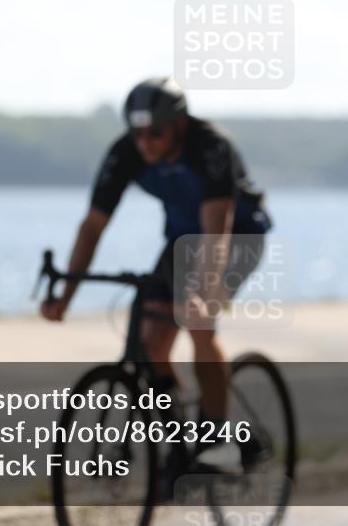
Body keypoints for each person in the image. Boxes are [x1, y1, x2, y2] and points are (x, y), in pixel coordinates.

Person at [40, 77, 272, 441]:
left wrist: (203, 290)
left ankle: (216, 438)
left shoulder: (211, 148)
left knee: (197, 322)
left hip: (236, 237)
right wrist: (66, 296)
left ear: (179, 125)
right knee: (150, 344)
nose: (145, 142)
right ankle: (177, 440)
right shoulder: (126, 152)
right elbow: (93, 226)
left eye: (156, 133)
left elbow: (217, 228)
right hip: (182, 240)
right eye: (138, 134)